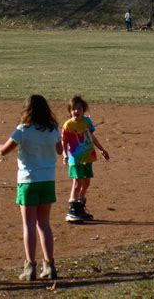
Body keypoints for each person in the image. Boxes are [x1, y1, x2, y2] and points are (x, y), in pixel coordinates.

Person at [0, 94, 63, 281]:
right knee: (44, 224)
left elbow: (3, 151)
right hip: (47, 180)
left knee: (29, 224)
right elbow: (60, 150)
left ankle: (30, 267)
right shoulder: (52, 129)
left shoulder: (23, 130)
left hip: (28, 181)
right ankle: (50, 265)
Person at [62, 95, 109, 223]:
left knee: (86, 182)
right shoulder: (68, 125)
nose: (76, 111)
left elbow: (91, 137)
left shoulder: (87, 122)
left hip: (87, 156)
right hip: (75, 158)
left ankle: (80, 207)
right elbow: (64, 141)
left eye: (79, 108)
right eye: (73, 109)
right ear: (70, 111)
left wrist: (101, 149)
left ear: (84, 110)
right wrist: (65, 155)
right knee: (77, 182)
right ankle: (72, 209)